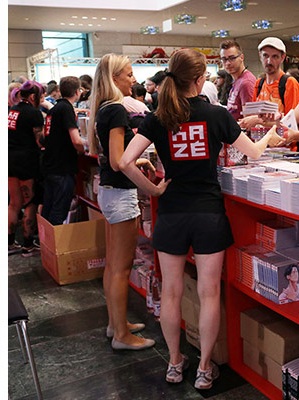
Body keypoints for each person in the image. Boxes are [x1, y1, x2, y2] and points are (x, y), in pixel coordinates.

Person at [117, 49, 282, 390]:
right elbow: (252, 152)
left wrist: (155, 189)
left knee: (171, 294)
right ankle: (205, 369)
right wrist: (270, 135)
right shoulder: (215, 114)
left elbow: (124, 162)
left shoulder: (158, 116)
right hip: (208, 211)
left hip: (173, 212)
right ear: (199, 79)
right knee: (209, 294)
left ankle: (175, 364)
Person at [90, 54, 157, 351]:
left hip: (108, 191)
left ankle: (115, 324)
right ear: (115, 78)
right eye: (129, 75)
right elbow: (119, 162)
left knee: (112, 266)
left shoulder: (103, 108)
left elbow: (111, 157)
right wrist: (151, 188)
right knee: (121, 267)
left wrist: (138, 158)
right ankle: (121, 335)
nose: (134, 80)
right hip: (120, 192)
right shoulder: (116, 109)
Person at [41, 76, 87, 225]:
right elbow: (76, 140)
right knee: (59, 211)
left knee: (48, 208)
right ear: (78, 91)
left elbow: (44, 135)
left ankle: (46, 244)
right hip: (62, 167)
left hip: (50, 165)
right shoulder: (66, 109)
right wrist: (85, 148)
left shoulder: (54, 109)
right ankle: (54, 247)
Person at [8, 81, 45, 256]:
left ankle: (9, 244)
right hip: (26, 161)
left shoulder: (12, 110)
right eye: (41, 96)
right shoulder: (33, 113)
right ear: (32, 97)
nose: (42, 99)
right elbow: (40, 140)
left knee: (14, 203)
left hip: (9, 159)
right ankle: (28, 245)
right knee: (30, 202)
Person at [239, 37, 299, 129]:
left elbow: (291, 122)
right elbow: (251, 115)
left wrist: (258, 121)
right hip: (260, 141)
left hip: (283, 142)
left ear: (282, 58)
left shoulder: (289, 83)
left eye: (275, 56)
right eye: (265, 56)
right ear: (260, 56)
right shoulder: (259, 83)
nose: (269, 61)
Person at [219, 39, 257, 119]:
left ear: (241, 57)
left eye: (232, 58)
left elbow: (249, 120)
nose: (228, 63)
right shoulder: (237, 80)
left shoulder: (246, 82)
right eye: (224, 59)